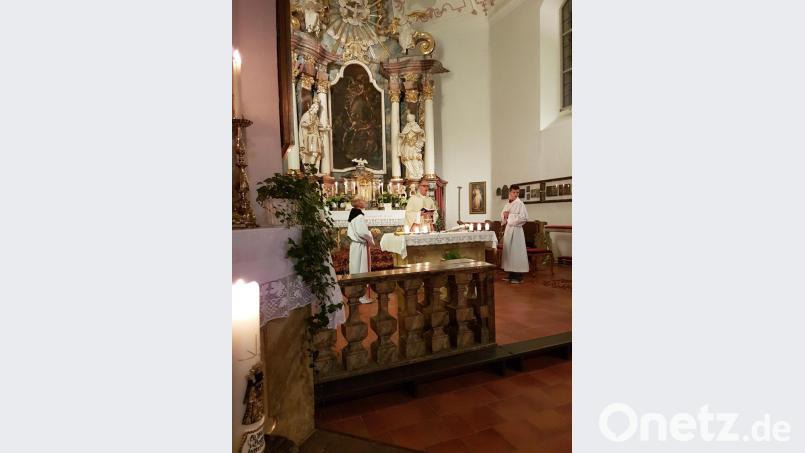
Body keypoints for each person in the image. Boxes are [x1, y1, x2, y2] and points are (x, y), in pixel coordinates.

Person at [347, 196, 374, 303]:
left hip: (355, 246)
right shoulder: (359, 216)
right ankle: (361, 296)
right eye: (363, 200)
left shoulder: (353, 214)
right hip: (360, 246)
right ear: (358, 203)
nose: (365, 201)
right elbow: (362, 233)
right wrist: (370, 236)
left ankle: (356, 295)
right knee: (361, 269)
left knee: (355, 269)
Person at [501, 185, 529, 284]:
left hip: (517, 232)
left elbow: (524, 218)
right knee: (509, 253)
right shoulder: (508, 203)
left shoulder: (520, 204)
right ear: (510, 192)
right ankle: (511, 274)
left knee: (516, 253)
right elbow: (503, 215)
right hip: (509, 230)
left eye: (517, 192)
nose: (516, 194)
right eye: (514, 192)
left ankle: (518, 276)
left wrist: (509, 216)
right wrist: (504, 216)